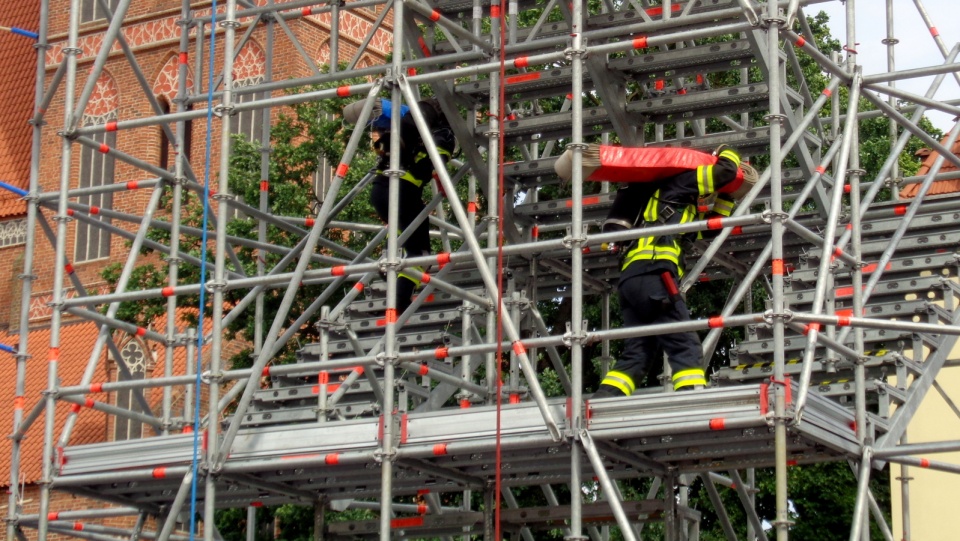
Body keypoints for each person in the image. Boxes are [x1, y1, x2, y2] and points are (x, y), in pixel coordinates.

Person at [593, 146, 757, 397]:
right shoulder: (679, 185)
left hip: (631, 283)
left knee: (638, 354)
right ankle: (692, 401)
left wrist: (728, 198)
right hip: (655, 275)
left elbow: (707, 230)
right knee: (686, 345)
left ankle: (602, 404)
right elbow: (724, 172)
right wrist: (728, 151)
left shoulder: (666, 206)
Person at [343, 98, 456, 314]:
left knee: (397, 235)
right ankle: (400, 303)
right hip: (404, 194)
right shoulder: (442, 135)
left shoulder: (401, 132)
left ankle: (389, 271)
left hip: (380, 191)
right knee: (419, 254)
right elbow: (433, 166)